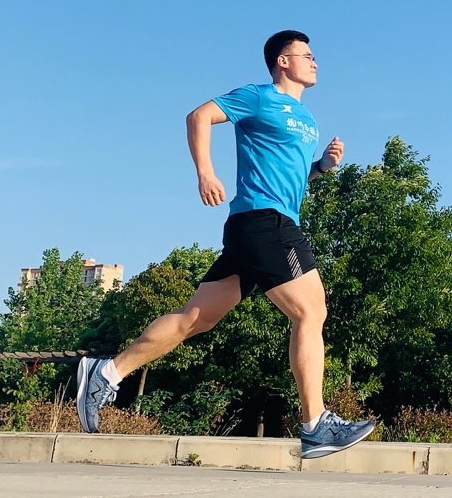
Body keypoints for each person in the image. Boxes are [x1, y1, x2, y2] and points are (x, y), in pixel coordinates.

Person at [76, 30, 375, 459]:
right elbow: (197, 116)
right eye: (306, 55)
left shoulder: (306, 120)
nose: (315, 61)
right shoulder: (258, 96)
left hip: (258, 225)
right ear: (282, 62)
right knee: (311, 310)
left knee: (195, 318)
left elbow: (286, 176)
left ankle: (107, 372)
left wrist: (321, 168)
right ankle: (315, 424)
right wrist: (205, 172)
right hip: (263, 222)